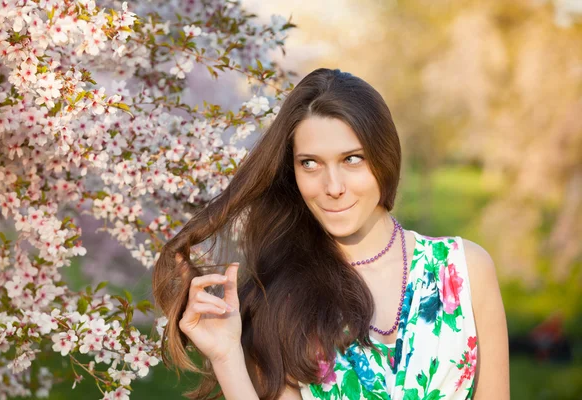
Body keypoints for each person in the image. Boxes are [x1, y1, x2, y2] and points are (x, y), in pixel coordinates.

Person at [152, 68, 510, 400]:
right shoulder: (278, 301)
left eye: (352, 159)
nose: (332, 186)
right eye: (310, 163)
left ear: (384, 157)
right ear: (293, 172)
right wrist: (227, 355)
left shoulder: (465, 269)